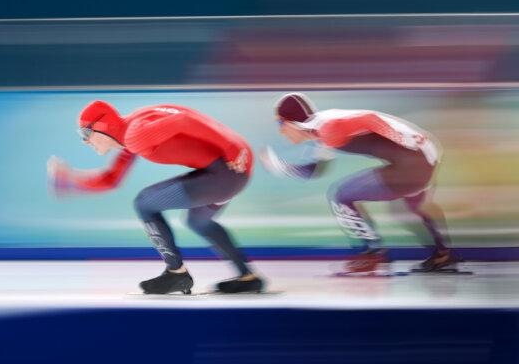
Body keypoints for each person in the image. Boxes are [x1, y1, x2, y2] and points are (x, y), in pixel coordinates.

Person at [47, 100, 265, 294]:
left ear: (101, 127)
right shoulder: (132, 129)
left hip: (227, 170)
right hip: (232, 170)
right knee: (198, 222)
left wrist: (231, 149)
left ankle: (176, 273)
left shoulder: (136, 135)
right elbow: (111, 179)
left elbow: (185, 120)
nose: (85, 141)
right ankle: (248, 277)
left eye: (85, 133)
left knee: (144, 203)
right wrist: (71, 181)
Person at [262, 92, 458, 275]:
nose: (281, 131)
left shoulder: (328, 128)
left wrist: (402, 140)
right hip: (424, 155)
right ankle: (442, 255)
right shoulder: (322, 128)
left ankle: (373, 254)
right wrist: (280, 167)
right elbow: (313, 171)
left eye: (280, 123)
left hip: (414, 160)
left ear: (292, 123)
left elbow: (370, 119)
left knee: (341, 196)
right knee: (413, 207)